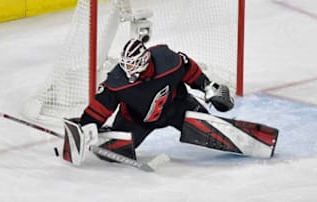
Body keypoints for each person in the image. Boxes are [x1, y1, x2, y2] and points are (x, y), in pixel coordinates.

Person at [63, 38, 234, 164]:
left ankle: (235, 136)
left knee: (214, 133)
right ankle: (106, 131)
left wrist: (207, 86)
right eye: (125, 64)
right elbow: (100, 106)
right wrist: (86, 125)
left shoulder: (166, 61)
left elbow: (189, 69)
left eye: (131, 64)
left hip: (177, 108)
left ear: (143, 61)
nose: (127, 69)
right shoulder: (118, 81)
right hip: (136, 121)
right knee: (113, 154)